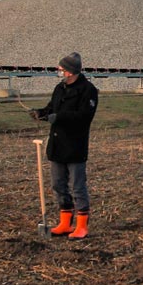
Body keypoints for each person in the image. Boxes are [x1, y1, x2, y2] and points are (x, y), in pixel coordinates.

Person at [32, 52, 99, 239]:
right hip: (57, 145)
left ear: (70, 71)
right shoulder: (59, 88)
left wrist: (59, 117)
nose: (59, 71)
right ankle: (65, 223)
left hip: (75, 145)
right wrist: (41, 113)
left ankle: (82, 226)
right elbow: (51, 108)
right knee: (58, 185)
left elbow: (85, 117)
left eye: (61, 69)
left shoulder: (88, 90)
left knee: (77, 186)